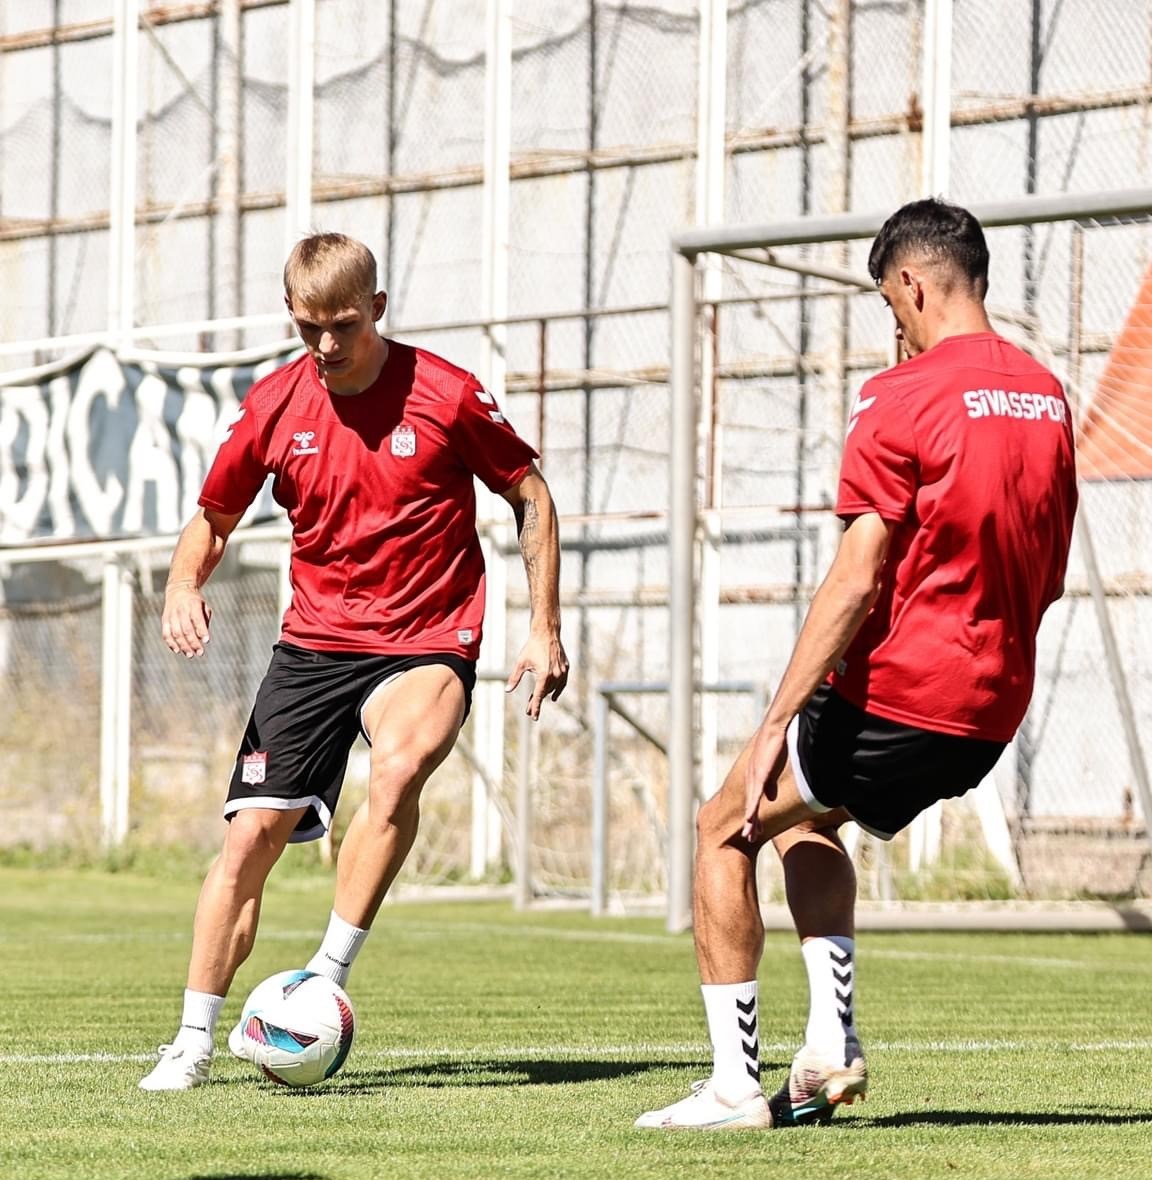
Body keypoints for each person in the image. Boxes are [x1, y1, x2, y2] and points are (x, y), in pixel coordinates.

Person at [636, 198, 1077, 1130]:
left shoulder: (898, 395)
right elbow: (1050, 570)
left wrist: (771, 725)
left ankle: (731, 1088)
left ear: (911, 284)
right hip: (991, 712)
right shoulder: (1046, 395)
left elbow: (855, 576)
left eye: (890, 306)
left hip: (901, 696)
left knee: (723, 822)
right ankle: (829, 1047)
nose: (895, 326)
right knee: (807, 825)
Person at [141, 232, 569, 1091]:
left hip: (426, 634)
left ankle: (323, 980)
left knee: (400, 767)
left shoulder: (447, 395)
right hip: (312, 644)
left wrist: (544, 627)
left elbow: (529, 493)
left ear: (376, 308)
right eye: (308, 329)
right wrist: (183, 583)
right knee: (248, 843)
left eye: (342, 324)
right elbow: (215, 513)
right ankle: (189, 1041)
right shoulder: (271, 405)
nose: (326, 346)